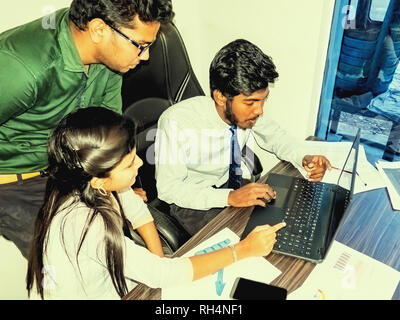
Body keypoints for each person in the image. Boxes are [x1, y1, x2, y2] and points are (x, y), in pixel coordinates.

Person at [26, 107, 286, 299]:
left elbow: (140, 214)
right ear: (99, 180)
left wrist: (158, 260)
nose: (139, 164)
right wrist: (242, 250)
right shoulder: (84, 224)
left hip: (118, 285)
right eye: (129, 163)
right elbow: (163, 275)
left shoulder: (90, 183)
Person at [0, 0, 174, 258]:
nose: (146, 56)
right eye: (141, 45)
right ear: (98, 30)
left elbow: (110, 132)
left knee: (119, 249)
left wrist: (117, 180)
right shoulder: (22, 67)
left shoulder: (111, 60)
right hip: (17, 181)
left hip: (70, 167)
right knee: (76, 262)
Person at [155, 39, 332, 236]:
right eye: (251, 102)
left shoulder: (246, 114)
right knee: (246, 244)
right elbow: (168, 189)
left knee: (287, 216)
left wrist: (304, 157)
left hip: (231, 185)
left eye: (263, 100)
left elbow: (276, 137)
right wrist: (229, 197)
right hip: (191, 201)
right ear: (221, 97)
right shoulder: (176, 122)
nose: (259, 110)